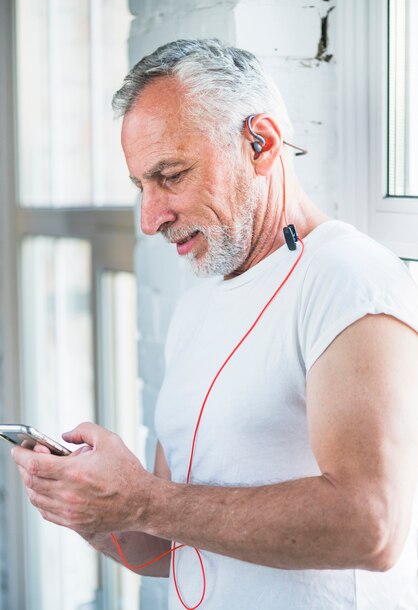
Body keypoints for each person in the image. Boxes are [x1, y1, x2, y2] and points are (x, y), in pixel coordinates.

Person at [12, 39, 418, 610]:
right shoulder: (197, 306)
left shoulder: (349, 278)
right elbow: (163, 548)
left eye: (171, 175)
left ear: (260, 144)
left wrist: (142, 499)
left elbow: (372, 525)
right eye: (142, 187)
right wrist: (94, 506)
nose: (151, 219)